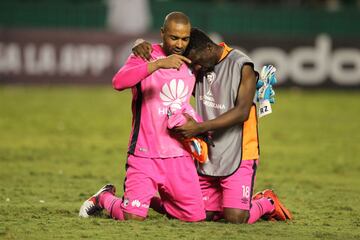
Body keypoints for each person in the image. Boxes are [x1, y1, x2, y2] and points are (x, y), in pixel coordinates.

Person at [132, 28, 292, 223]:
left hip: (239, 151)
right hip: (208, 152)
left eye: (197, 60)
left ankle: (267, 202)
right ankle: (138, 202)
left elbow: (242, 112)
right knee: (202, 215)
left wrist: (199, 127)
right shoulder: (199, 65)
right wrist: (138, 44)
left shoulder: (242, 65)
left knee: (235, 218)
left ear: (208, 48)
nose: (195, 67)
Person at [79, 12, 206, 222]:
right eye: (174, 37)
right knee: (132, 217)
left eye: (184, 39)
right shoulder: (144, 55)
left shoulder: (192, 61)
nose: (179, 44)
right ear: (162, 33)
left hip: (179, 154)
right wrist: (157, 64)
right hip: (144, 153)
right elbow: (118, 82)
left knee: (194, 217)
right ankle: (104, 198)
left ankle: (143, 201)